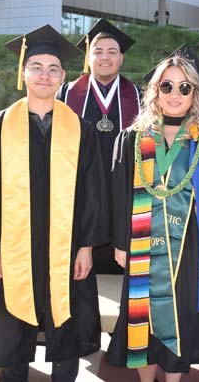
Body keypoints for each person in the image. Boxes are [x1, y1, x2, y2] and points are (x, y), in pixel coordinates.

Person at [0, 25, 107, 382]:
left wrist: (87, 246)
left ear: (64, 76)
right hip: (13, 249)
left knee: (67, 331)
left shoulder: (81, 129)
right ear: (23, 72)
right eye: (37, 67)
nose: (45, 74)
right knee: (12, 334)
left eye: (53, 68)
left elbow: (93, 192)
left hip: (67, 247)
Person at [106, 53, 199, 382]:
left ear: (195, 94)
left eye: (185, 88)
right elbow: (117, 195)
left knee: (181, 323)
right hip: (141, 251)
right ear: (155, 90)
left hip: (189, 252)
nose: (175, 94)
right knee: (142, 326)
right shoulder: (132, 140)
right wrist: (121, 243)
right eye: (166, 85)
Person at [56, 18, 140, 275]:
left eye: (112, 52)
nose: (105, 58)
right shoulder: (66, 94)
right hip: (79, 191)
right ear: (88, 57)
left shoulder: (139, 96)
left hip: (122, 191)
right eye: (98, 52)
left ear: (121, 58)